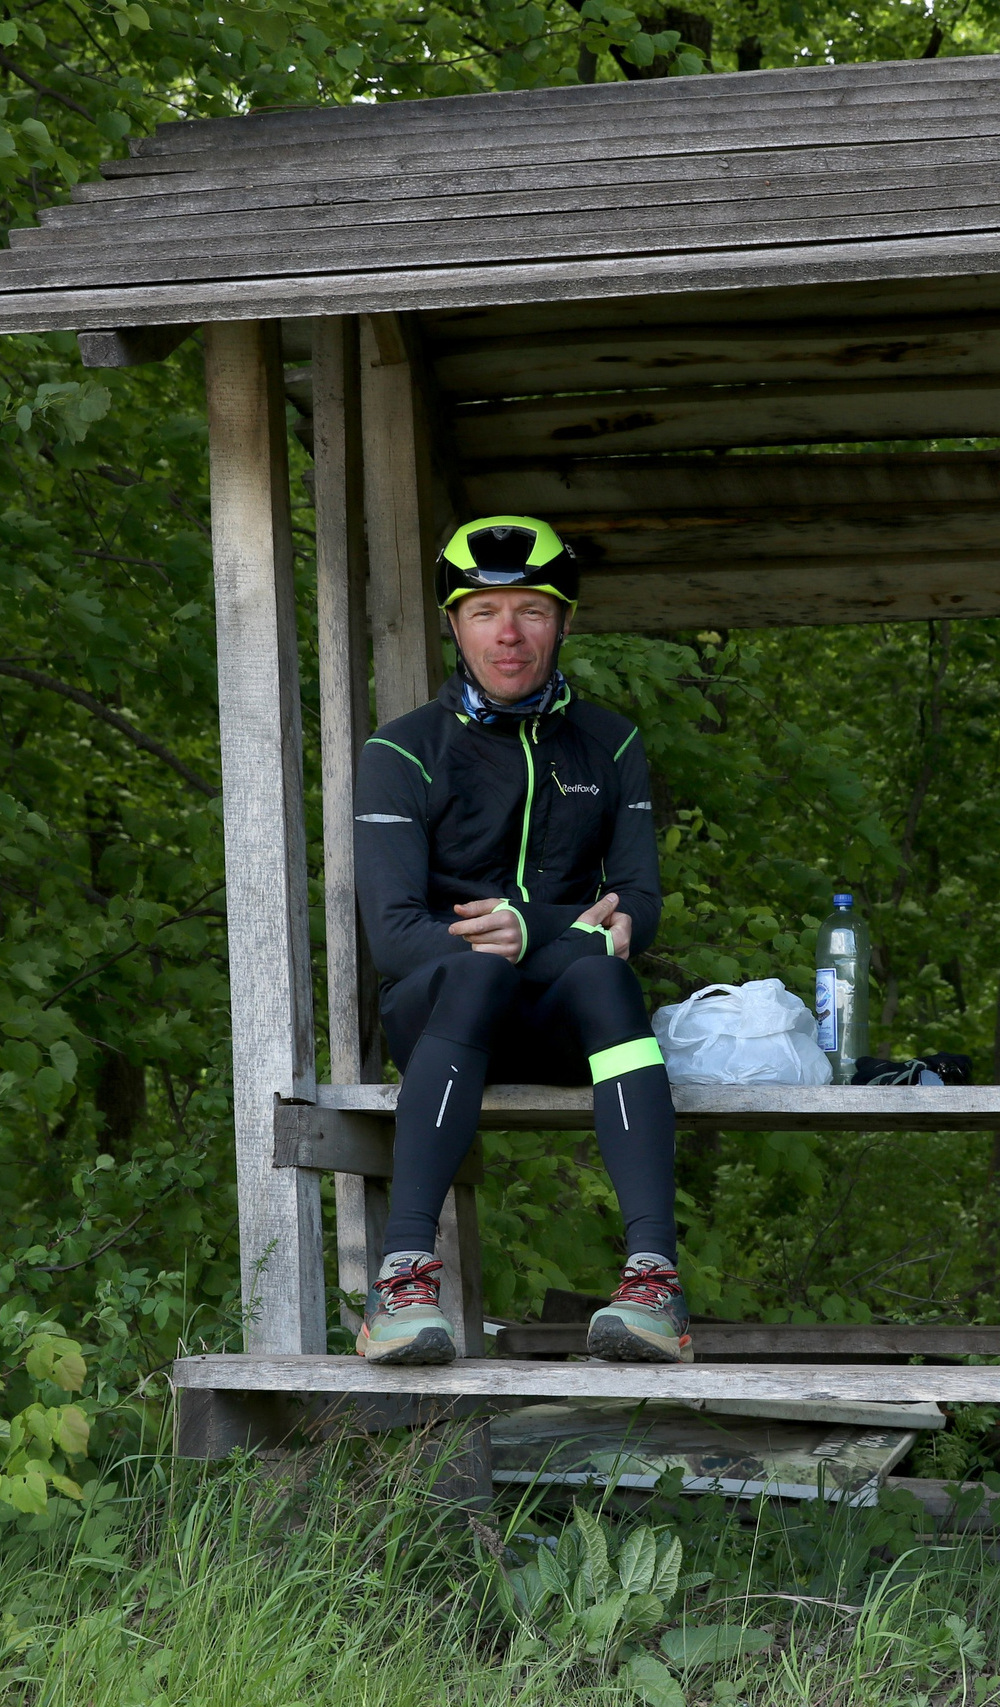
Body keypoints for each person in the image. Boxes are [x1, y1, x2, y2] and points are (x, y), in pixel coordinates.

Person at [351, 516, 689, 1367]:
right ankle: (400, 1286)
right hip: (442, 1018)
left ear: (565, 620)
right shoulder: (402, 749)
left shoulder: (611, 742)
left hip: (560, 1019)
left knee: (609, 981)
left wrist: (542, 925)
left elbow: (638, 902)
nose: (508, 632)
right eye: (484, 611)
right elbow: (395, 938)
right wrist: (565, 929)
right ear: (454, 625)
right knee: (478, 975)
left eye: (531, 610)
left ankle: (654, 1287)